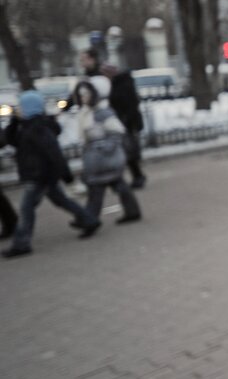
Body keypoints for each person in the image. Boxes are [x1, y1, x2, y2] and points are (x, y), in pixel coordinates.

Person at [1, 90, 99, 258]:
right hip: (40, 174)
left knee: (26, 209)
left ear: (29, 108)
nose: (19, 109)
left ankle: (21, 243)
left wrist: (66, 175)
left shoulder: (38, 128)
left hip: (39, 175)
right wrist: (14, 121)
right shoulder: (28, 126)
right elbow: (11, 141)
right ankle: (89, 220)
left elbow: (54, 153)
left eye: (21, 107)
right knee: (61, 200)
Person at [74, 76, 142, 235]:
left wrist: (102, 148)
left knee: (96, 192)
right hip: (100, 161)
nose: (83, 98)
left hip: (104, 160)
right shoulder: (88, 113)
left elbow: (117, 132)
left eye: (86, 94)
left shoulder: (102, 113)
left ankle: (89, 221)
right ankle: (132, 211)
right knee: (119, 186)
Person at [101, 63, 147, 188]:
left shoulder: (123, 84)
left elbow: (132, 104)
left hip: (127, 122)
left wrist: (126, 121)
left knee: (129, 150)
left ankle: (136, 176)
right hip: (120, 121)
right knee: (126, 150)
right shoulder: (114, 84)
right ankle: (134, 176)